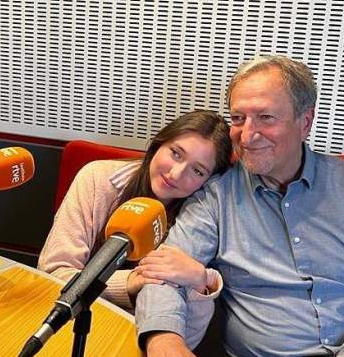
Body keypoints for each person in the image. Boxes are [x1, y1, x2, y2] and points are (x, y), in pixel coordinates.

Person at [136, 55, 344, 356]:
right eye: (238, 118)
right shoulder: (215, 196)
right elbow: (163, 273)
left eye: (266, 117)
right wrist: (163, 340)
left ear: (305, 122)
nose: (247, 136)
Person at [38, 109, 233, 348]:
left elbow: (185, 341)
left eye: (197, 171)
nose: (176, 173)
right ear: (158, 144)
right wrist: (129, 283)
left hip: (133, 342)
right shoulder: (96, 179)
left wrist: (200, 282)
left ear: (208, 181)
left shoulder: (198, 223)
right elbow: (52, 274)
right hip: (67, 329)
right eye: (176, 153)